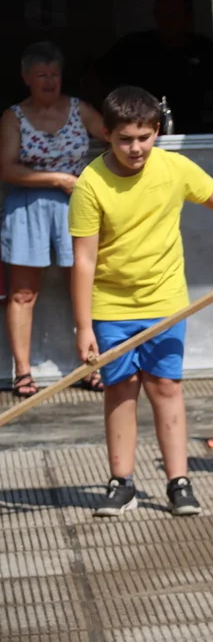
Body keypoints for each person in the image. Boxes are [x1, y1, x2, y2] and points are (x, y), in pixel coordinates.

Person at [68, 85, 213, 517]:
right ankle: (122, 482)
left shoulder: (174, 167)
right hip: (111, 306)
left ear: (157, 131)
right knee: (120, 389)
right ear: (106, 134)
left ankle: (178, 481)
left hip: (165, 301)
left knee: (166, 386)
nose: (136, 148)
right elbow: (84, 260)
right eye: (125, 139)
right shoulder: (91, 183)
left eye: (144, 137)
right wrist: (84, 325)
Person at [1, 42, 107, 397]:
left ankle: (90, 364)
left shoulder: (79, 109)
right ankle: (23, 373)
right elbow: (7, 168)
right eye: (41, 75)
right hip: (27, 206)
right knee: (23, 293)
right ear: (26, 78)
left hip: (76, 206)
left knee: (84, 287)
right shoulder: (14, 116)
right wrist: (57, 179)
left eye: (55, 75)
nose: (49, 82)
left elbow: (113, 136)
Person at [90, 0, 213, 134]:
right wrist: (110, 123)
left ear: (187, 18)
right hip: (141, 136)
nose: (168, 21)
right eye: (162, 14)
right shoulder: (133, 47)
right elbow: (94, 81)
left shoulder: (204, 49)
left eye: (174, 15)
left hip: (195, 134)